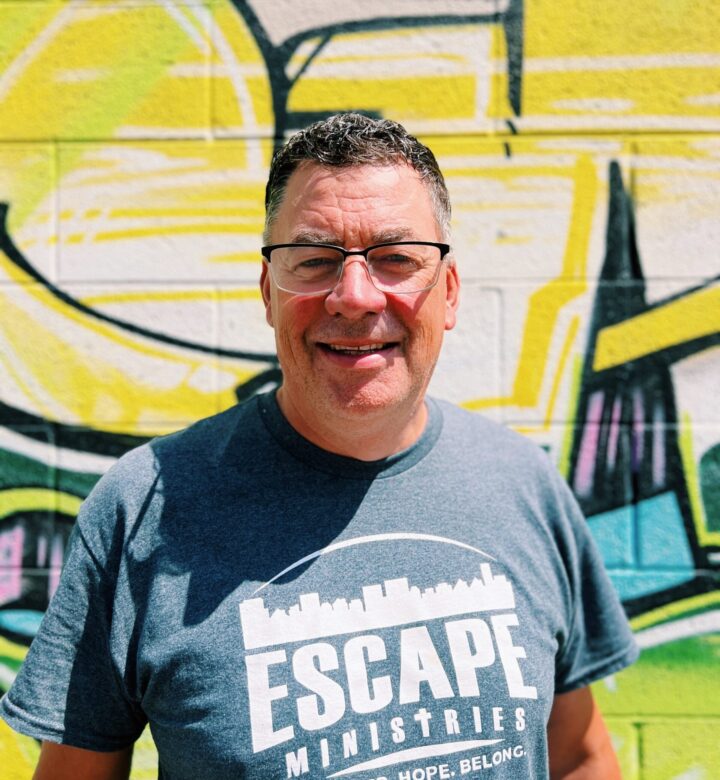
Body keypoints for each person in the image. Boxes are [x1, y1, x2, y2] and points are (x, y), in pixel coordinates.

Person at [1, 113, 637, 779]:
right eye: (314, 261)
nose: (356, 297)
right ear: (268, 295)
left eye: (396, 259)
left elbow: (579, 755)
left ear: (447, 292)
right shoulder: (144, 509)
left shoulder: (522, 485)